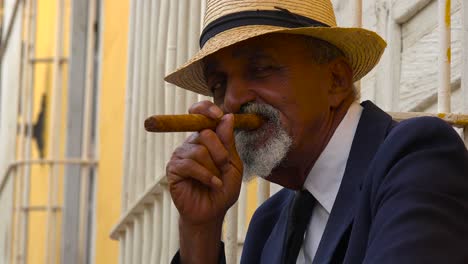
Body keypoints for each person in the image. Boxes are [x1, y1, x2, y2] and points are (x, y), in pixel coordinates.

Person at [164, 0, 468, 263]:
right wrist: (200, 232)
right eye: (219, 85)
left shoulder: (416, 159)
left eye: (260, 69)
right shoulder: (266, 227)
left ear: (335, 80)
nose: (231, 100)